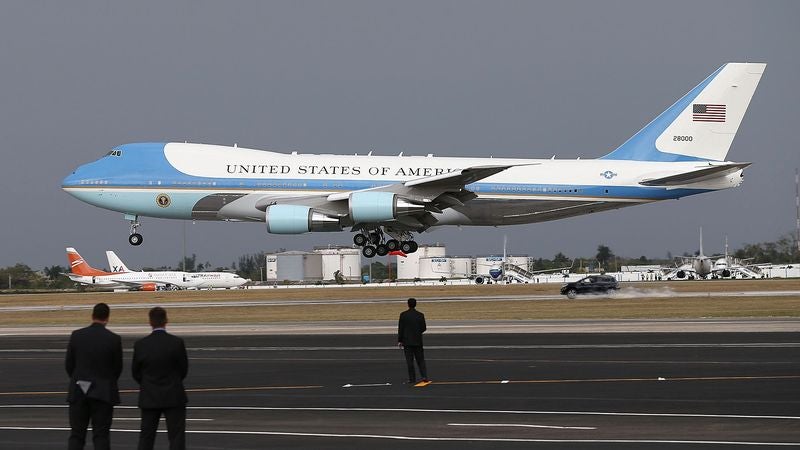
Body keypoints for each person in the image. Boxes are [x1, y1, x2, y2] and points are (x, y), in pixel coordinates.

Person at [65, 302, 123, 450]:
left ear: (92, 316)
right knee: (101, 435)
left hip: (79, 392)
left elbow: (69, 366)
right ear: (107, 318)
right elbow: (117, 369)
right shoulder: (113, 339)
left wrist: (80, 381)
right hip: (103, 393)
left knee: (77, 435)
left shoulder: (77, 335)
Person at [132, 307, 188, 450]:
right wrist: (173, 381)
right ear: (166, 321)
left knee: (146, 437)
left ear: (150, 322)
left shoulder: (141, 345)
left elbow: (136, 373)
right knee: (176, 437)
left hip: (150, 395)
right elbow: (183, 370)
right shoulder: (176, 343)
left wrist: (147, 383)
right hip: (173, 395)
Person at [397, 297, 428, 384]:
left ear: (408, 304)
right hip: (418, 341)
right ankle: (424, 376)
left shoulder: (403, 315)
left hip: (407, 342)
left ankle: (412, 379)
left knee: (409, 362)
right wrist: (417, 333)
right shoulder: (420, 315)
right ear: (415, 304)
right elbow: (424, 328)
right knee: (420, 360)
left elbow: (401, 328)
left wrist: (400, 340)